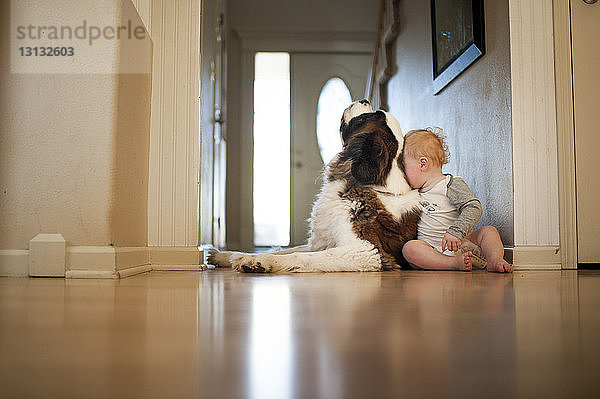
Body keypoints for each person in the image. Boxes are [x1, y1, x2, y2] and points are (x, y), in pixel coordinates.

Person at [401, 129, 513, 273]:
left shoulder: (450, 184)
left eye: (403, 166)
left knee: (489, 231)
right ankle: (453, 263)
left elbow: (473, 207)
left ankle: (495, 259)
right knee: (410, 249)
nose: (402, 172)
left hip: (461, 243)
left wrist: (456, 232)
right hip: (431, 250)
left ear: (423, 164)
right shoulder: (413, 192)